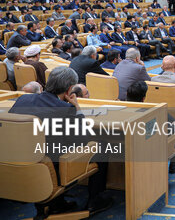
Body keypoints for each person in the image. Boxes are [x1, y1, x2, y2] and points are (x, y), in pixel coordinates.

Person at [9, 67, 114, 216]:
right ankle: (95, 201)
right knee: (101, 145)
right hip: (52, 168)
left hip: (20, 164)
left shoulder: (22, 100)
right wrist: (76, 107)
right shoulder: (65, 109)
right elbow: (83, 141)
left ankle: (57, 204)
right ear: (70, 89)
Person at [124, 80, 175, 174]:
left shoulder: (119, 106)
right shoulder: (146, 114)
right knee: (171, 129)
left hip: (122, 143)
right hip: (144, 145)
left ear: (127, 94)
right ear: (144, 98)